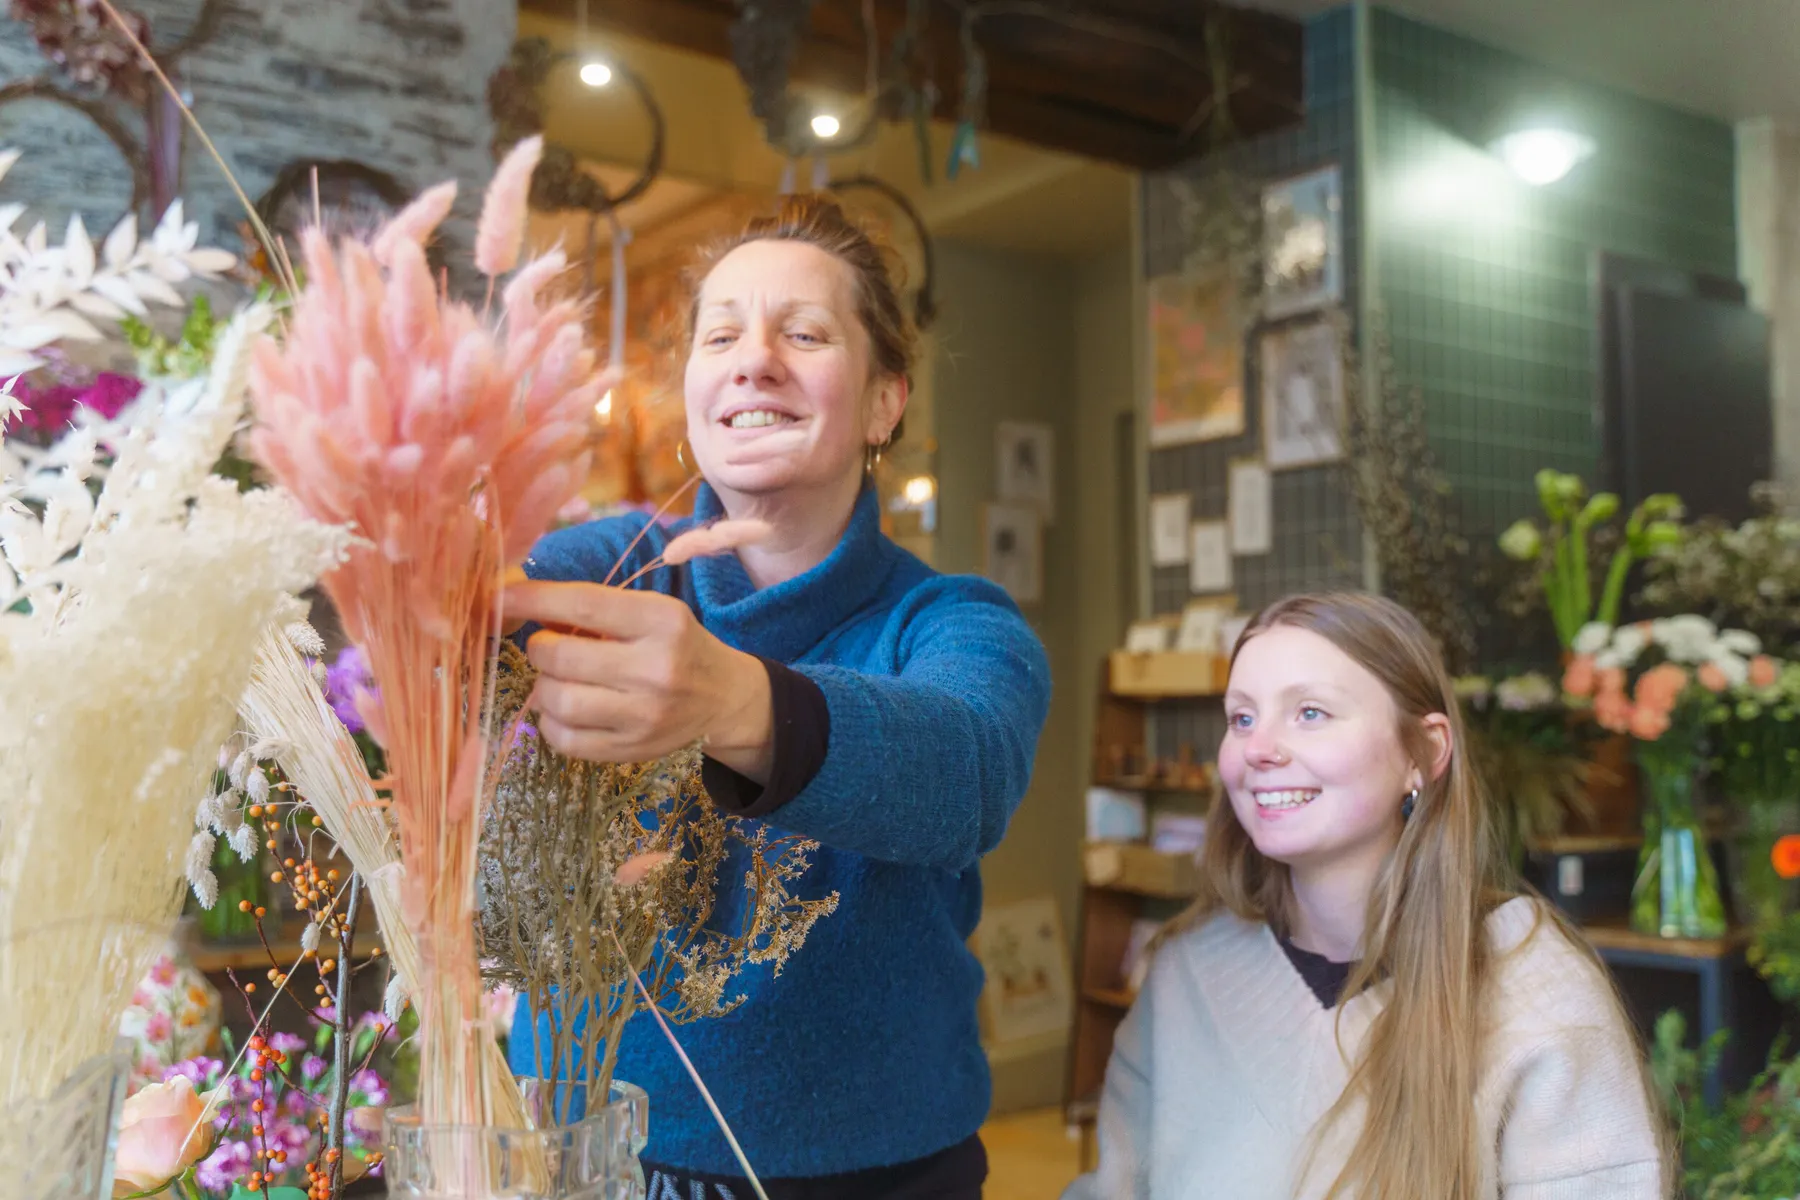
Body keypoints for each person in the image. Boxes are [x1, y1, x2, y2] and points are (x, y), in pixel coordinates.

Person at [501, 195, 1052, 1198]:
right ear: (692, 390)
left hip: (875, 1177)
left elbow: (964, 770)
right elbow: (450, 615)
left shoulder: (952, 622)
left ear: (886, 400)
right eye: (722, 335)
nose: (755, 359)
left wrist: (734, 702)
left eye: (804, 333)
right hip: (586, 1158)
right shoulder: (603, 568)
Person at [1063, 592, 1665, 1200]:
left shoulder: (1534, 988)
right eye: (1242, 718)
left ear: (1425, 752)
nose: (1258, 748)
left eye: (1310, 712)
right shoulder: (1183, 976)